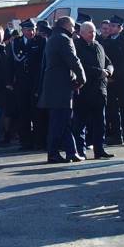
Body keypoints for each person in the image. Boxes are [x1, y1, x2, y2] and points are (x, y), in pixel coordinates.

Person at [38, 16, 86, 164]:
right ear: (66, 26)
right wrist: (82, 77)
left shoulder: (53, 37)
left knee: (63, 122)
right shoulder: (64, 39)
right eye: (72, 26)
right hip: (61, 87)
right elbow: (73, 60)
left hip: (54, 86)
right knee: (59, 122)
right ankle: (52, 153)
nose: (73, 29)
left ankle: (71, 152)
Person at [72, 21, 113, 160]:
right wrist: (98, 72)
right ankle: (80, 150)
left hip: (100, 91)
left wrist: (109, 71)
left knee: (100, 122)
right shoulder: (77, 47)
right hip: (84, 91)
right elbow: (80, 67)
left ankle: (99, 149)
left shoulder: (98, 46)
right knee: (80, 123)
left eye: (94, 31)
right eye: (90, 32)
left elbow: (108, 62)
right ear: (82, 33)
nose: (93, 34)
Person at [8, 19, 45, 150]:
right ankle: (25, 142)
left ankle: (39, 141)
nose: (32, 32)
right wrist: (10, 81)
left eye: (33, 29)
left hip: (36, 83)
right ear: (22, 30)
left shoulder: (41, 41)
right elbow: (11, 63)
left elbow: (42, 63)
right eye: (29, 30)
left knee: (37, 113)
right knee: (23, 114)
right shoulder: (16, 42)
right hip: (21, 84)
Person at [102, 15, 124, 146]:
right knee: (112, 108)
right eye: (110, 25)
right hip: (110, 79)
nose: (111, 28)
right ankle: (116, 135)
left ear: (120, 28)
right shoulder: (107, 40)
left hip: (122, 79)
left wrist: (114, 77)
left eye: (114, 26)